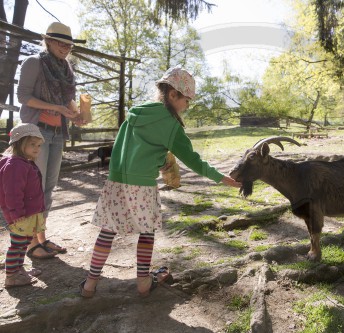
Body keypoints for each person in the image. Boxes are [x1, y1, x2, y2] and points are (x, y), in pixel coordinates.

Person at [79, 67, 241, 298]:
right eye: (187, 100)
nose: (187, 106)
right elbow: (193, 161)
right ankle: (144, 281)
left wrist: (157, 161)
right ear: (173, 95)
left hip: (115, 182)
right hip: (143, 187)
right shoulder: (171, 125)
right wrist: (221, 177)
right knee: (146, 233)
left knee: (107, 232)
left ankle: (89, 285)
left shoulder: (135, 114)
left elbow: (122, 148)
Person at [17, 22, 86, 259]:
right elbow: (23, 96)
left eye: (68, 44)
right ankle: (29, 245)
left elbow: (69, 101)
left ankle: (41, 239)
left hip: (58, 134)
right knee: (34, 188)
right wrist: (55, 107)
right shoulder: (34, 62)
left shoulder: (67, 68)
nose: (65, 48)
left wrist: (76, 116)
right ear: (48, 41)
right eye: (60, 43)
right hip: (36, 132)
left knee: (48, 188)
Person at [1, 124, 46, 287]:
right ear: (20, 143)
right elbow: (12, 193)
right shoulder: (15, 165)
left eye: (38, 145)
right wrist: (17, 214)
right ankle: (11, 276)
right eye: (32, 144)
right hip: (20, 214)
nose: (37, 149)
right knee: (18, 244)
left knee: (25, 241)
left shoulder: (24, 162)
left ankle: (19, 269)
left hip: (28, 213)